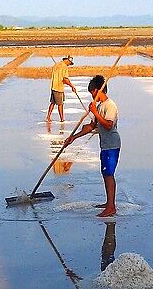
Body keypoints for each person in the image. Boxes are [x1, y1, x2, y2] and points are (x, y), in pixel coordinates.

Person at [63, 75, 120, 217]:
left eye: (91, 93)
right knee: (105, 173)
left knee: (109, 174)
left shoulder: (109, 105)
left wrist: (95, 112)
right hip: (105, 145)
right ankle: (109, 203)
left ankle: (111, 207)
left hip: (112, 145)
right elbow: (91, 126)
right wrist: (73, 138)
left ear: (96, 91)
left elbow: (108, 125)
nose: (91, 96)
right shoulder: (100, 106)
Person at [46, 55, 77, 122]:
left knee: (53, 103)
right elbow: (65, 79)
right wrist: (72, 86)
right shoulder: (64, 67)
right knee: (60, 104)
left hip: (53, 86)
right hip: (59, 87)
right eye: (69, 63)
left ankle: (48, 117)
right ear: (67, 60)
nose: (69, 65)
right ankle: (62, 119)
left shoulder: (57, 65)